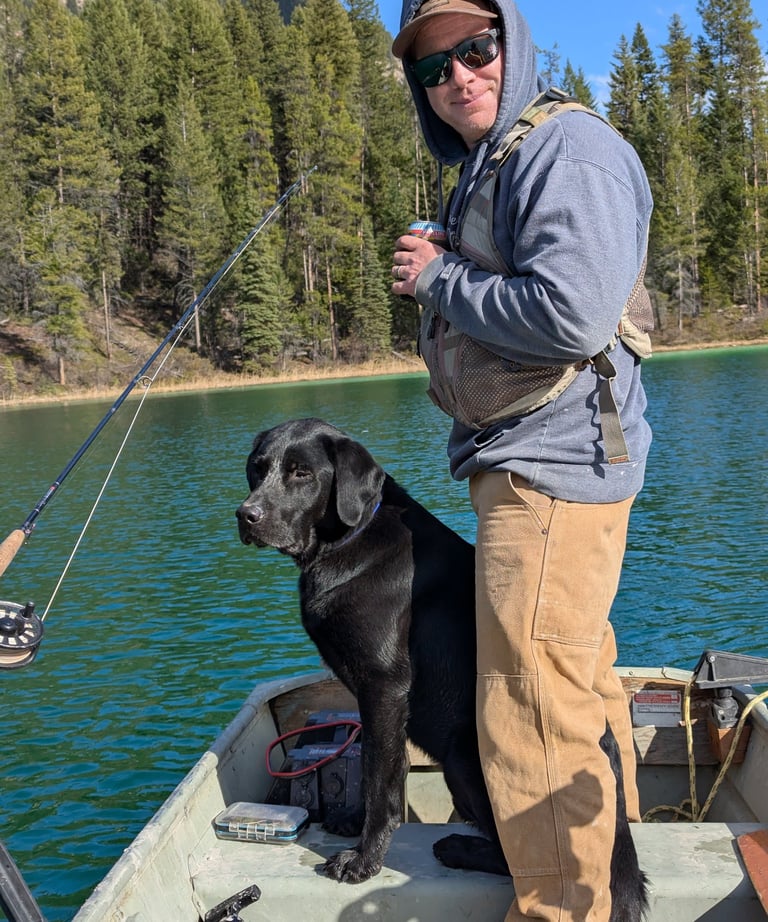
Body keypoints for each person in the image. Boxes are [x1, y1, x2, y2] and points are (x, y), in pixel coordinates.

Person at [390, 1, 653, 920]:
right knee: (574, 684)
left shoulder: (565, 151)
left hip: (550, 468)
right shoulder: (500, 160)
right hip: (538, 465)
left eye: (475, 49)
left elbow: (572, 317)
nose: (458, 77)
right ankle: (615, 885)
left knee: (529, 709)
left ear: (513, 42)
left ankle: (563, 908)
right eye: (434, 68)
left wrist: (437, 278)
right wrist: (453, 261)